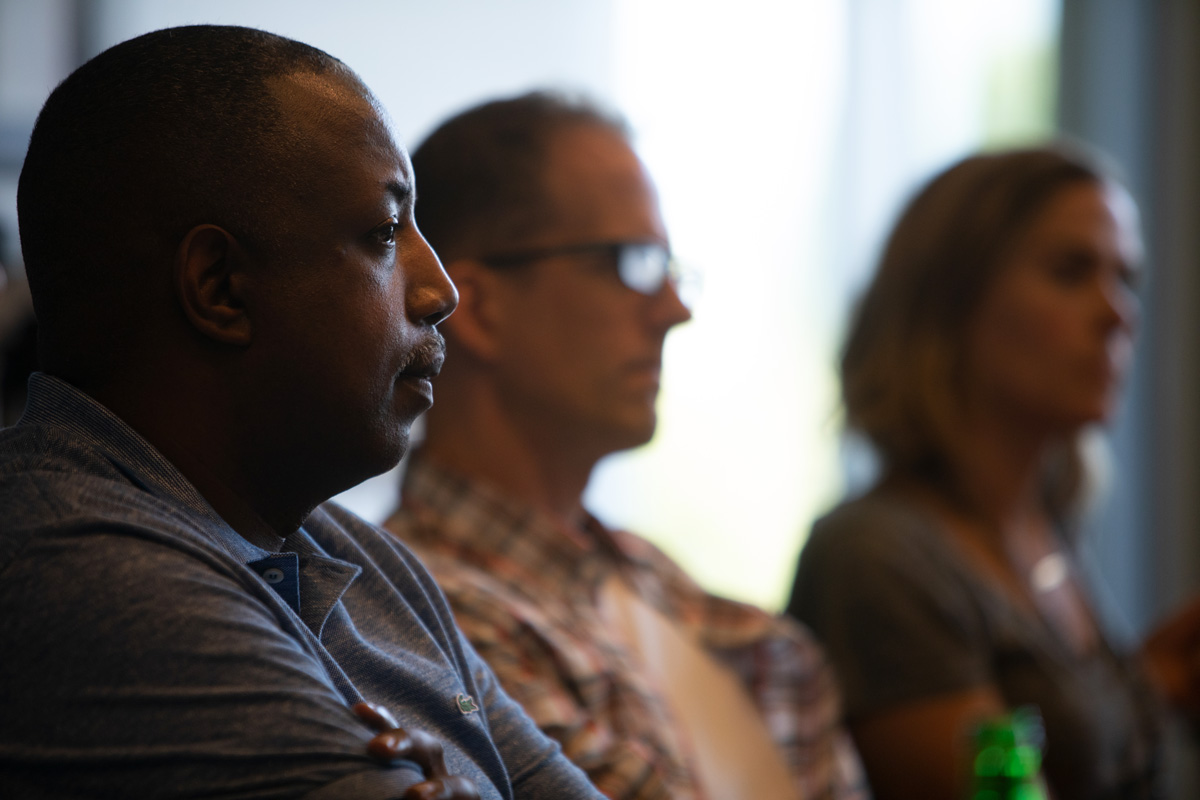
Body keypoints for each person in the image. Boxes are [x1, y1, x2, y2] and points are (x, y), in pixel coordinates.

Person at [0, 25, 605, 800]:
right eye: (387, 233)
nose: (440, 290)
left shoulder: (371, 569)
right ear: (220, 288)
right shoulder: (73, 567)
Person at [384, 91, 867, 800]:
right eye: (632, 261)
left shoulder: (663, 585)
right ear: (476, 306)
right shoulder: (413, 618)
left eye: (670, 269)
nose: (676, 309)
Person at [786, 145, 1200, 800]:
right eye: (1071, 272)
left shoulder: (1042, 529)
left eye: (1126, 278)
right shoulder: (876, 555)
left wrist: (1156, 680)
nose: (1118, 313)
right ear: (948, 301)